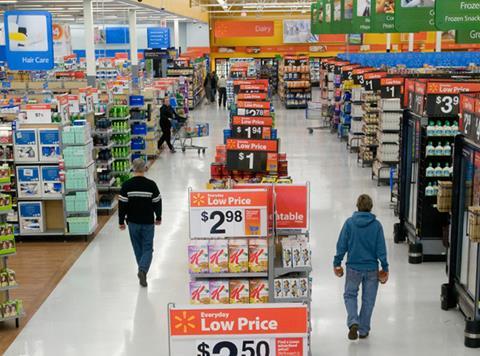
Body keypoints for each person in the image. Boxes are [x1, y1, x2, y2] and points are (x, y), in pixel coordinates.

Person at [333, 194, 389, 340]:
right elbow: (381, 249)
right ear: (371, 207)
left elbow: (341, 245)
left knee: (350, 295)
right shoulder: (377, 225)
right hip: (371, 268)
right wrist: (385, 267)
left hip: (353, 268)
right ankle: (363, 330)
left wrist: (337, 263)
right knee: (368, 300)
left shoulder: (349, 223)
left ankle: (353, 322)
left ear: (357, 206)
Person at [119, 158, 162, 287]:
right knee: (148, 248)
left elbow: (122, 205)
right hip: (148, 222)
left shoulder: (126, 185)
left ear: (133, 168)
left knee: (138, 248)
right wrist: (158, 217)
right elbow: (157, 202)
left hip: (133, 222)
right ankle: (142, 270)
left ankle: (142, 270)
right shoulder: (151, 185)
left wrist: (121, 221)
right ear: (145, 168)